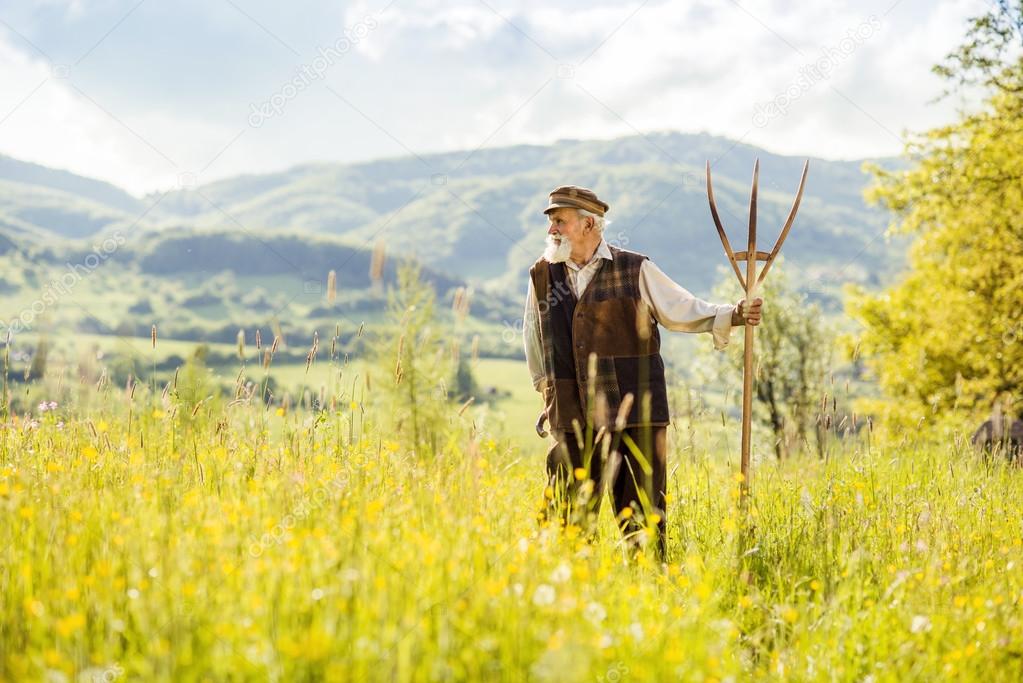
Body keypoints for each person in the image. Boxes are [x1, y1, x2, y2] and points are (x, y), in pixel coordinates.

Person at [522, 185, 762, 560]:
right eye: (552, 222)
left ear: (588, 224)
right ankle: (565, 595)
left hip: (639, 416)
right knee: (567, 517)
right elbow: (534, 339)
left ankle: (651, 591)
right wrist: (547, 392)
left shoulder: (634, 268)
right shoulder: (542, 275)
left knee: (643, 516)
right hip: (571, 415)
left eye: (560, 222)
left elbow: (680, 308)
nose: (552, 230)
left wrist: (732, 314)